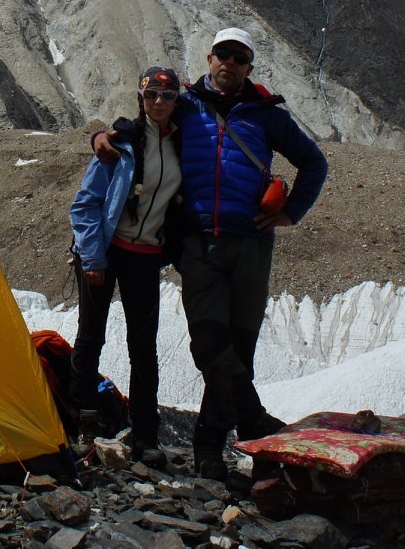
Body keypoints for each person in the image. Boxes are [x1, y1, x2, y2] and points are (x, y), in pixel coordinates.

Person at [93, 27, 328, 481]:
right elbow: (144, 124)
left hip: (252, 244)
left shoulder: (267, 115)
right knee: (209, 343)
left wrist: (291, 212)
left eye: (239, 58)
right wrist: (102, 136)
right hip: (198, 243)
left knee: (239, 347)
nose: (229, 63)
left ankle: (209, 449)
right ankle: (253, 421)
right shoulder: (185, 105)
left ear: (249, 67)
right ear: (209, 58)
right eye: (223, 54)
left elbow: (314, 162)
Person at [67, 65, 185, 467]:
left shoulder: (183, 145)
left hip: (146, 254)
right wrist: (93, 256)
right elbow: (85, 204)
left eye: (167, 96)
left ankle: (145, 434)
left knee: (143, 346)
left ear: (177, 101)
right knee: (91, 336)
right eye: (151, 95)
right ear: (140, 97)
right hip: (107, 249)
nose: (159, 102)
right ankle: (81, 423)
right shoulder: (121, 143)